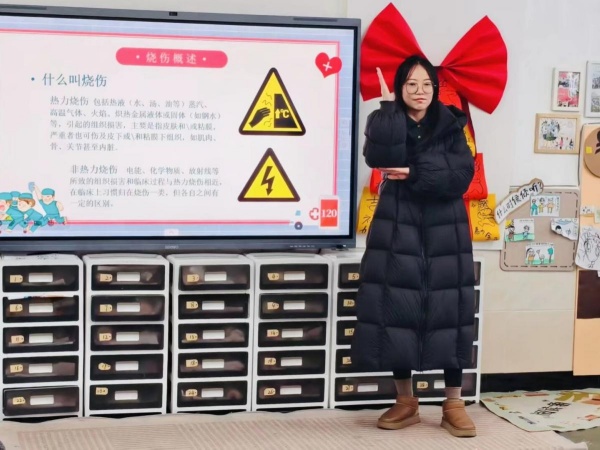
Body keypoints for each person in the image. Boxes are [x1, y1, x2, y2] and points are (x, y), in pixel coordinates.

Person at [351, 55, 477, 438]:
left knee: (450, 311)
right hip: (397, 224)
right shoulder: (387, 120)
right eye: (411, 84)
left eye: (426, 84)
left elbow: (462, 175)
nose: (419, 91)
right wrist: (388, 109)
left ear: (435, 88)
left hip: (446, 229)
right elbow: (378, 157)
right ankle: (405, 401)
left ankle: (453, 403)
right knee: (397, 308)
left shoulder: (451, 124)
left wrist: (416, 172)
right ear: (400, 88)